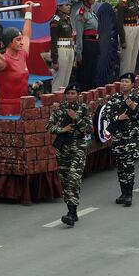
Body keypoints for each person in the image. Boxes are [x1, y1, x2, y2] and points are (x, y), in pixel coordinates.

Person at [45, 83, 91, 228]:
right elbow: (49, 127)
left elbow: (89, 129)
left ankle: (71, 212)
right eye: (69, 93)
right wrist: (62, 129)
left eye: (73, 93)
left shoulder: (83, 109)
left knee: (73, 178)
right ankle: (72, 210)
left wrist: (76, 118)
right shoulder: (60, 110)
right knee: (65, 179)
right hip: (63, 146)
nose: (71, 95)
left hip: (78, 146)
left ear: (78, 95)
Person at [0, 2, 34, 115]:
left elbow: (27, 36)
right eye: (18, 40)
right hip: (7, 110)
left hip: (23, 107)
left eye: (21, 39)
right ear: (9, 42)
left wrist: (28, 13)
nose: (22, 42)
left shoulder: (22, 55)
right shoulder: (3, 62)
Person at [104, 72, 139, 207]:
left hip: (131, 136)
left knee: (129, 164)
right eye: (122, 81)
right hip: (118, 136)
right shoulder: (114, 98)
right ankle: (123, 192)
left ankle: (129, 194)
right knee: (120, 165)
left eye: (127, 82)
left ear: (133, 84)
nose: (124, 84)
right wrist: (117, 118)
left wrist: (133, 107)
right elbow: (106, 114)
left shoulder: (138, 98)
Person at [72, 0, 99, 91]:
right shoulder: (81, 14)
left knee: (93, 71)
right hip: (87, 45)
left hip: (94, 44)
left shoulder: (91, 12)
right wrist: (79, 52)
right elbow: (79, 34)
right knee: (85, 72)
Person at [49, 0, 74, 91]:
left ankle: (62, 102)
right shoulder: (55, 21)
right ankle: (55, 103)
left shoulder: (67, 19)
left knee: (66, 80)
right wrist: (55, 60)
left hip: (69, 49)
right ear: (59, 7)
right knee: (59, 80)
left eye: (69, 4)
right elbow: (53, 41)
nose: (69, 7)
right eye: (66, 5)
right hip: (61, 50)